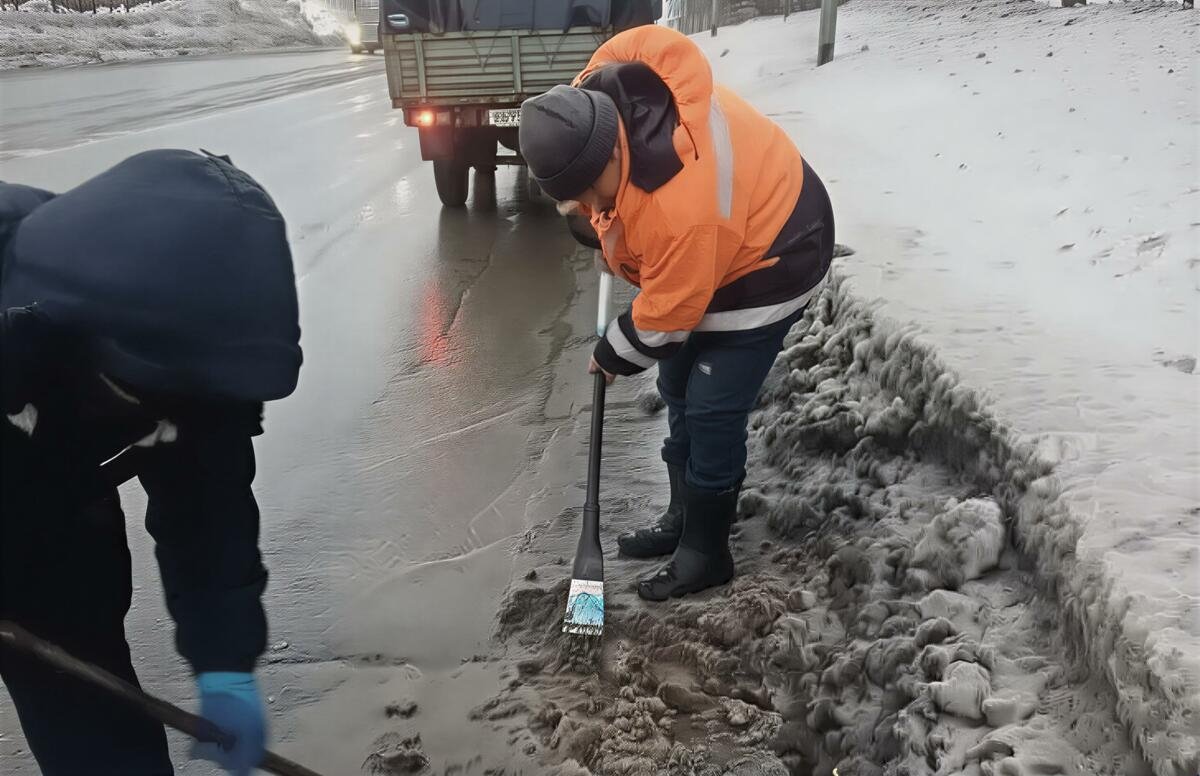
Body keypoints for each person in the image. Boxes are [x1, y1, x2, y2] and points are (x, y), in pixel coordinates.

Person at [0, 149, 302, 775]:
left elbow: (207, 511)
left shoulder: (188, 350)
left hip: (52, 524)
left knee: (96, 728)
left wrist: (224, 663)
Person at [519, 26, 834, 601]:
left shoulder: (680, 202)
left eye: (592, 192)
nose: (590, 209)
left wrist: (616, 350)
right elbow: (635, 231)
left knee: (711, 404)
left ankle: (706, 550)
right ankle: (682, 515)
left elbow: (668, 313)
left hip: (777, 249)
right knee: (676, 380)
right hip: (719, 239)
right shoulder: (598, 112)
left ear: (614, 149)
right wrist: (604, 220)